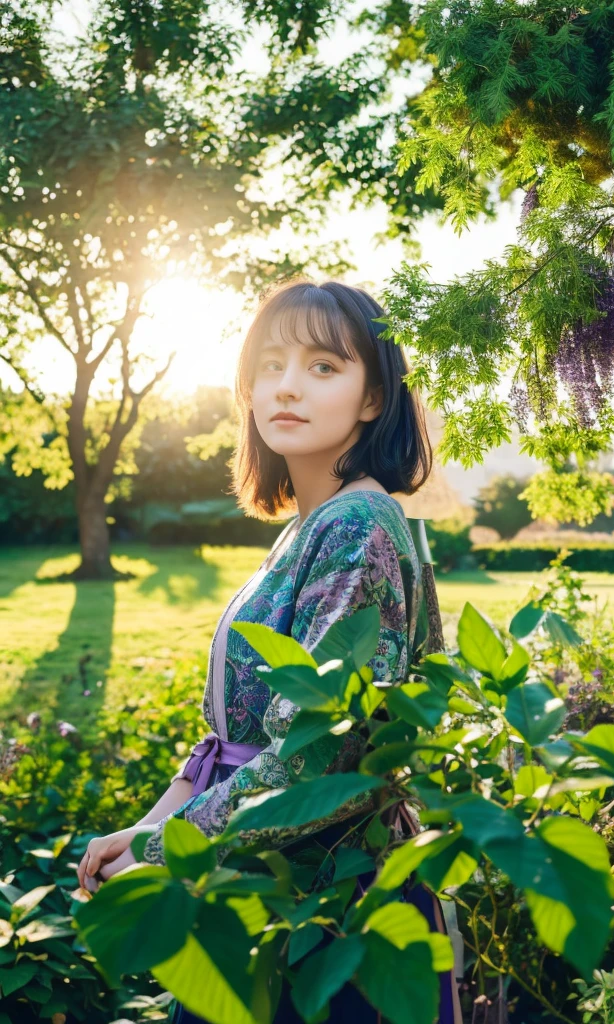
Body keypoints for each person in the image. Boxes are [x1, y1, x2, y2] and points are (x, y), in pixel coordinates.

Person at [76, 280, 462, 1024]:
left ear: (374, 397)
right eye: (270, 365)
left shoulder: (357, 525)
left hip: (325, 910)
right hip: (264, 886)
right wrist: (150, 826)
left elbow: (317, 762)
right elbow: (233, 740)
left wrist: (166, 849)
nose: (287, 386)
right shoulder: (310, 525)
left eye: (323, 367)